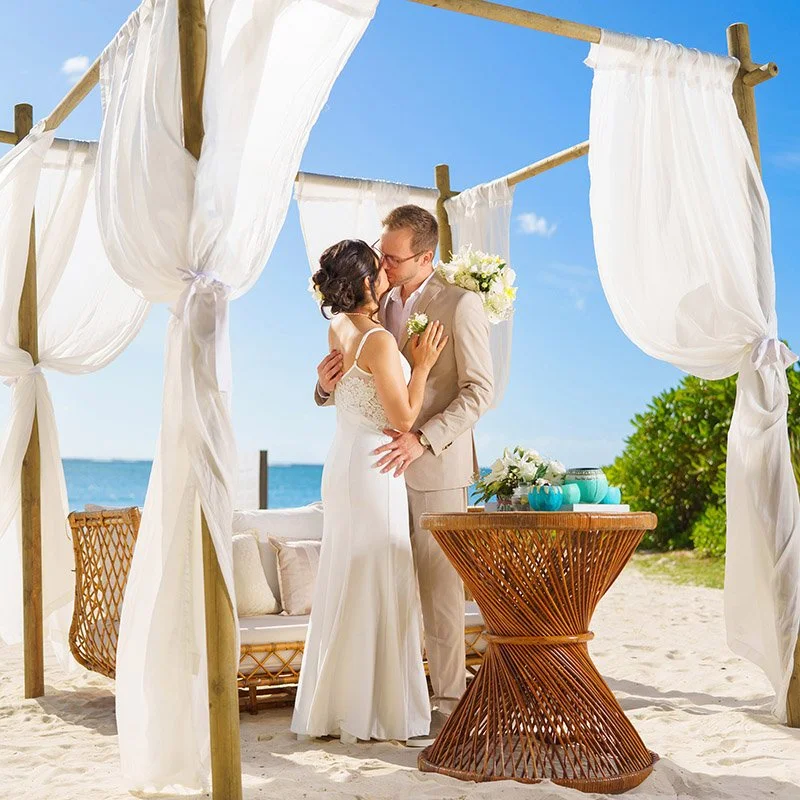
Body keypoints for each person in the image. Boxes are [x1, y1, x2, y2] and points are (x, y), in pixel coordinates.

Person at [314, 206, 494, 746]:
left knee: (439, 595)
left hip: (436, 469)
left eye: (394, 257)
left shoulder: (460, 305)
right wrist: (322, 387)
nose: (385, 266)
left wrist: (423, 438)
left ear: (426, 256)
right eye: (382, 255)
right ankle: (395, 700)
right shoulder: (370, 305)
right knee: (389, 588)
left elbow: (480, 391)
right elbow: (357, 386)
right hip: (378, 475)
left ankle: (446, 706)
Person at [292, 239, 448, 744]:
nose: (386, 274)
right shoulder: (378, 340)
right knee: (380, 572)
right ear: (364, 283)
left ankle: (338, 705)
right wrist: (421, 368)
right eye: (379, 270)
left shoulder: (337, 326)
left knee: (348, 574)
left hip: (345, 458)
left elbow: (337, 390)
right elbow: (402, 417)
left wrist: (321, 389)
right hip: (374, 464)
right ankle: (377, 711)